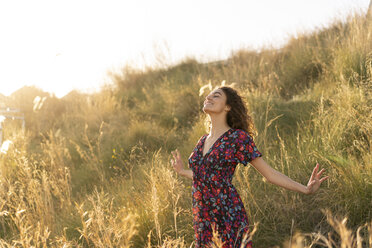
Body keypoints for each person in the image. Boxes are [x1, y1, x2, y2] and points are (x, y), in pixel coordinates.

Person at [170, 86, 329, 248]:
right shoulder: (202, 141)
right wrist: (183, 171)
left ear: (227, 107)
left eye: (215, 96)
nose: (208, 98)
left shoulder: (237, 138)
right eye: (208, 96)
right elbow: (205, 176)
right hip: (202, 216)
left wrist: (305, 189)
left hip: (226, 213)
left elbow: (269, 174)